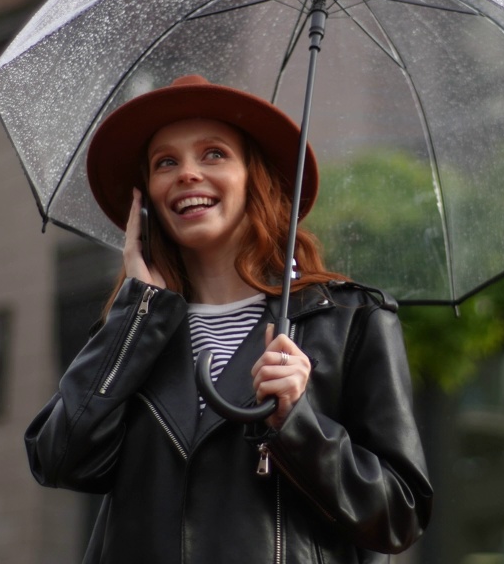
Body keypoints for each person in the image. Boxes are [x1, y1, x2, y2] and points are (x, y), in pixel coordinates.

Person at [25, 74, 433, 563]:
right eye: (165, 162)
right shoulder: (133, 331)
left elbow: (397, 515)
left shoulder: (348, 320)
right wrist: (137, 310)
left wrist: (297, 423)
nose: (187, 174)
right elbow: (58, 459)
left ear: (255, 179)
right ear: (146, 202)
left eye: (213, 154)